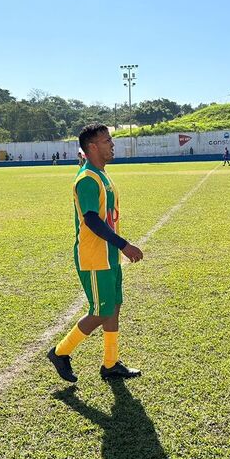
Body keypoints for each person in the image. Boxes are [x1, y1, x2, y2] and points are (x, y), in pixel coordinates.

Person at [48, 123, 144, 382]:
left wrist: (118, 249)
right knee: (101, 311)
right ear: (92, 147)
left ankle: (110, 363)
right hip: (94, 257)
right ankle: (60, 352)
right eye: (106, 141)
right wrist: (124, 244)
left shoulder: (101, 175)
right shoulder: (87, 179)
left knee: (113, 307)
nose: (112, 145)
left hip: (108, 256)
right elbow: (91, 219)